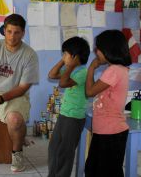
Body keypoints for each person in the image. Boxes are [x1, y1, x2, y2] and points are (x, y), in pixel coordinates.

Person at [0, 13, 39, 172]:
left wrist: (0, 99)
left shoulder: (30, 54)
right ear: (4, 31)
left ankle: (17, 153)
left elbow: (23, 87)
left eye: (17, 32)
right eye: (9, 31)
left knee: (15, 120)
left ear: (23, 33)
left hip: (15, 95)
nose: (12, 36)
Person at [85, 30, 132, 177]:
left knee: (105, 171)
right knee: (95, 169)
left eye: (98, 49)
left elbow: (90, 91)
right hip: (106, 131)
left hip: (111, 132)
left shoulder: (114, 70)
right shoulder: (117, 69)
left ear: (108, 49)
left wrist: (91, 68)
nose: (96, 52)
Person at [47, 36, 90, 177]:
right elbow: (52, 75)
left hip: (74, 118)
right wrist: (64, 61)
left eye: (65, 53)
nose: (63, 56)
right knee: (54, 148)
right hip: (65, 115)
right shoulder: (70, 68)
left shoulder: (83, 72)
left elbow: (63, 83)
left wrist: (70, 65)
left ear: (75, 57)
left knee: (65, 152)